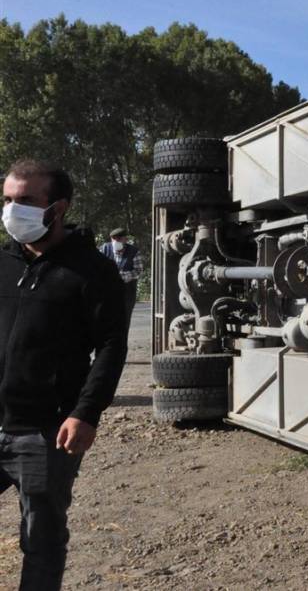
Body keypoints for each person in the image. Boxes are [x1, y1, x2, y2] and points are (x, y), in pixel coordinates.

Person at [0, 159, 127, 590]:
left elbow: (111, 346)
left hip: (45, 432)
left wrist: (86, 412)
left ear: (59, 207)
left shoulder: (92, 270)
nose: (13, 210)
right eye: (7, 200)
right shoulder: (3, 263)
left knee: (41, 539)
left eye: (26, 201)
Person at [100, 226, 143, 332]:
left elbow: (138, 271)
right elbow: (96, 267)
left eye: (119, 239)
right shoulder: (104, 249)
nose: (116, 241)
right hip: (107, 293)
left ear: (125, 240)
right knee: (106, 321)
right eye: (114, 239)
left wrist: (120, 276)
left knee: (123, 322)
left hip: (126, 293)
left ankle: (121, 345)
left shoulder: (134, 251)